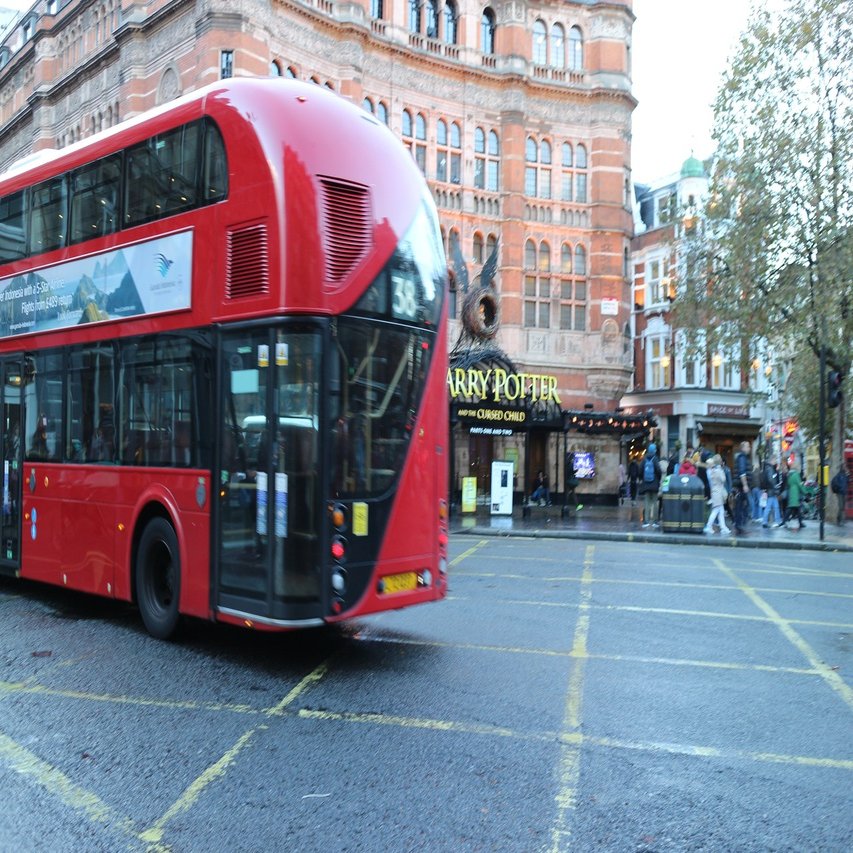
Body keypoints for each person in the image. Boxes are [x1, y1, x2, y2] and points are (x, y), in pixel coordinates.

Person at [704, 454, 731, 535]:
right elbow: (723, 479)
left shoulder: (711, 471)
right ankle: (709, 526)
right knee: (716, 510)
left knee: (721, 511)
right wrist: (721, 472)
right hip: (718, 492)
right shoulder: (718, 470)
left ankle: (723, 527)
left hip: (715, 492)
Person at [639, 442, 662, 528]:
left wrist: (642, 479)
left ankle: (646, 521)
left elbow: (640, 470)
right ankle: (655, 521)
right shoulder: (655, 459)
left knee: (647, 503)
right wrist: (658, 480)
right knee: (655, 503)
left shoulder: (644, 459)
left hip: (646, 484)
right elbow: (659, 471)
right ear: (654, 450)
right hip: (654, 484)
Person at [734, 440, 752, 534]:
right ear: (743, 448)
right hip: (742, 486)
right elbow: (742, 472)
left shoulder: (743, 457)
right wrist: (745, 485)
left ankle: (739, 525)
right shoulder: (742, 458)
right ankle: (739, 525)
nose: (749, 448)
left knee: (742, 506)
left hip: (741, 486)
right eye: (748, 446)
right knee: (742, 506)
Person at [761, 455, 784, 528]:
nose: (776, 461)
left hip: (771, 491)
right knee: (770, 507)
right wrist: (775, 488)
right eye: (775, 460)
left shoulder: (768, 468)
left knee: (775, 506)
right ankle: (765, 522)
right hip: (771, 491)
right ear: (772, 460)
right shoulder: (770, 469)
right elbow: (771, 480)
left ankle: (777, 521)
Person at [784, 464, 805, 530]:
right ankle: (784, 520)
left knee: (796, 508)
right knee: (792, 507)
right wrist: (805, 491)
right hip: (795, 492)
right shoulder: (796, 475)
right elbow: (799, 485)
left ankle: (800, 522)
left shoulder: (790, 475)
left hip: (791, 492)